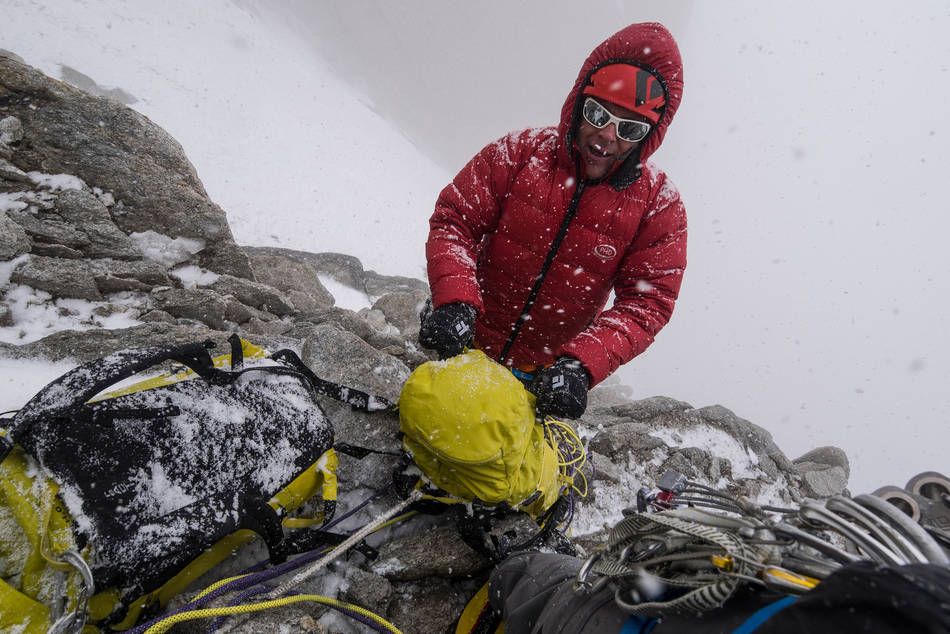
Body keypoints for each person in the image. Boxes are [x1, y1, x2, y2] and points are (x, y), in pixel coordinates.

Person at [419, 22, 687, 420]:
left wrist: (580, 364)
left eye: (629, 127)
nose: (607, 135)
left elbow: (648, 302)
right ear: (579, 102)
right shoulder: (519, 153)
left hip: (541, 379)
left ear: (650, 135)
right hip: (461, 341)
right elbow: (455, 220)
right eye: (598, 113)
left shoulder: (658, 207)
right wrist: (456, 301)